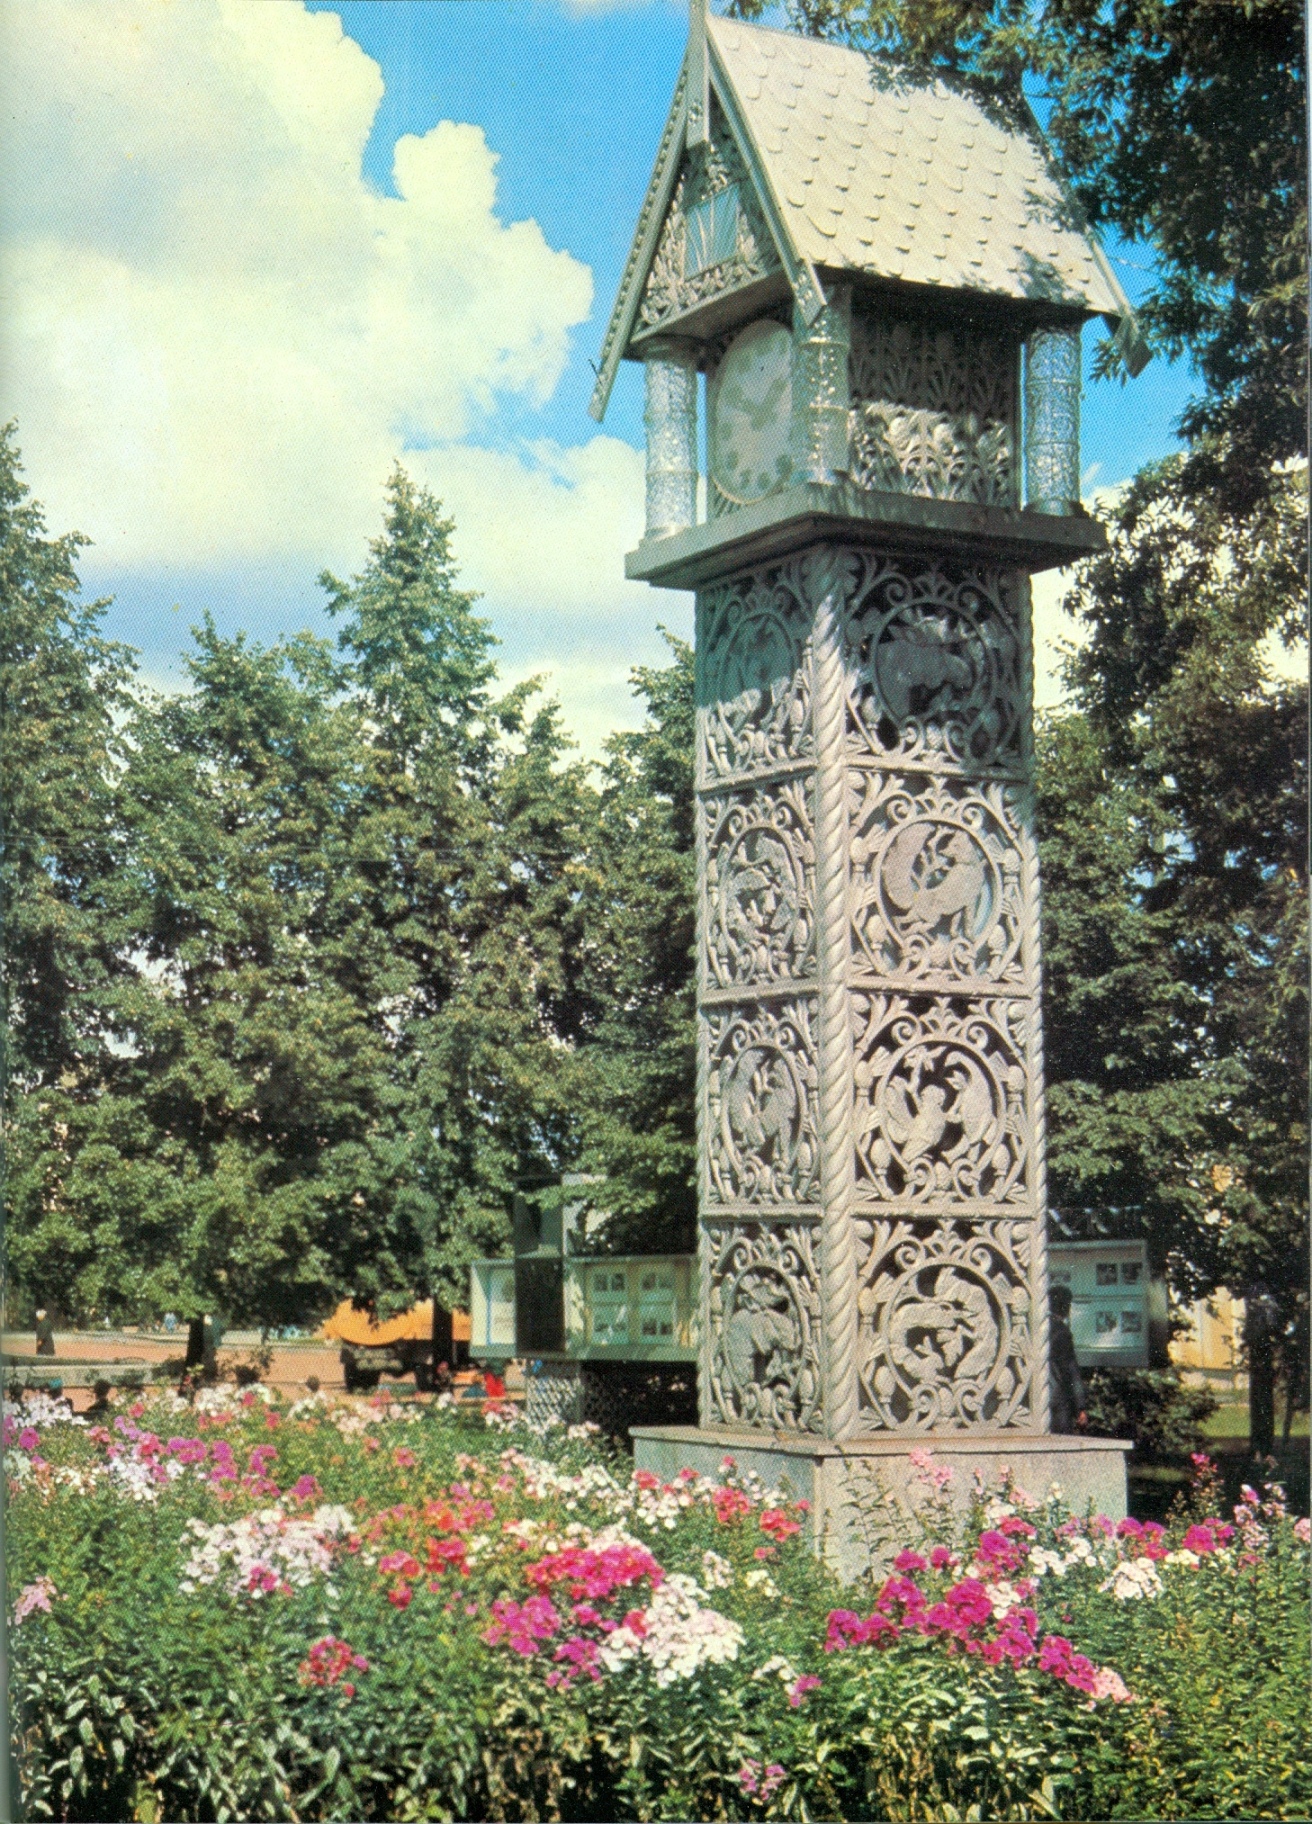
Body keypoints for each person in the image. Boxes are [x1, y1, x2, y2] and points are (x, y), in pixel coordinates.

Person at [1049, 1284, 1087, 1433]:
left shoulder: (1035, 1328)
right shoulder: (1062, 1332)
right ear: (1067, 1307)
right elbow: (1071, 1370)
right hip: (1057, 1400)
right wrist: (1080, 1407)